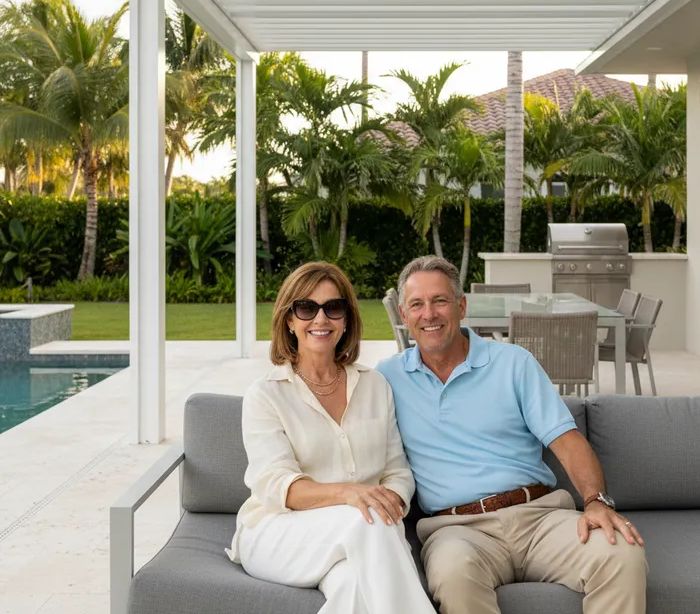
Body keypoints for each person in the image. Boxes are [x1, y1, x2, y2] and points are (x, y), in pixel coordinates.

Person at [377, 255, 648, 614]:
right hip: (458, 531)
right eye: (417, 304)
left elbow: (568, 442)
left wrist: (596, 500)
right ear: (403, 313)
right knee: (454, 574)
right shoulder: (386, 379)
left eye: (440, 300)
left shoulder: (513, 363)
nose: (429, 314)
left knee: (622, 554)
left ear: (460, 305)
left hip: (540, 517)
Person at [227, 261, 435, 614]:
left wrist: (390, 505)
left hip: (365, 533)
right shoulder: (266, 394)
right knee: (366, 519)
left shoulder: (374, 385)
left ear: (346, 320)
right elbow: (280, 487)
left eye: (333, 308)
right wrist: (354, 496)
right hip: (279, 533)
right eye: (306, 308)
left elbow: (397, 473)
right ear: (289, 320)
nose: (320, 319)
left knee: (353, 590)